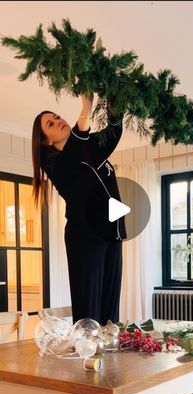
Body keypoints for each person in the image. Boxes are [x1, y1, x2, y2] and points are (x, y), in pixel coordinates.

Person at [32, 93, 126, 325]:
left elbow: (112, 134)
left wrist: (116, 99)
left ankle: (111, 356)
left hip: (112, 232)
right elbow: (74, 151)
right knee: (89, 308)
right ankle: (88, 358)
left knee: (110, 309)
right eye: (51, 124)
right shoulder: (54, 164)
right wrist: (85, 109)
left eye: (56, 117)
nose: (58, 121)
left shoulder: (90, 147)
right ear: (47, 141)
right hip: (84, 237)